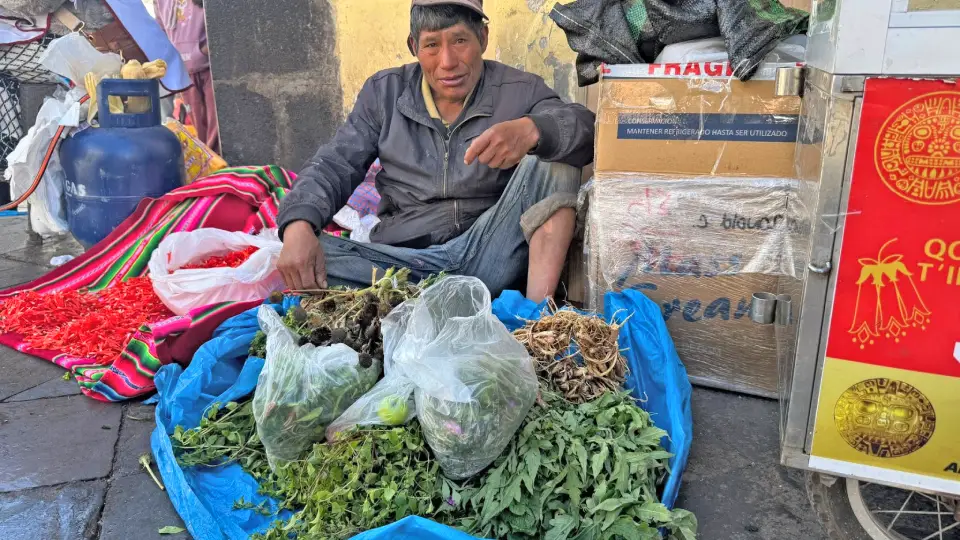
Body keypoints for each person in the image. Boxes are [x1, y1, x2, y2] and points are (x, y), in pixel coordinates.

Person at [277, 0, 594, 302]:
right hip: (402, 267)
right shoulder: (385, 92)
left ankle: (537, 322)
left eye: (459, 40)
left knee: (558, 157)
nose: (448, 62)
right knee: (309, 255)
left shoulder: (520, 90)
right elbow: (335, 163)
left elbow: (584, 128)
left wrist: (533, 130)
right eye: (431, 45)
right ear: (413, 46)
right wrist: (298, 223)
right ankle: (436, 303)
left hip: (491, 257)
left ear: (482, 38)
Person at [155, 0, 219, 151]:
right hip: (184, 72)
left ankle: (219, 170)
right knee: (198, 129)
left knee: (217, 128)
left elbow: (224, 25)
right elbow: (160, 31)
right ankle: (209, 168)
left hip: (211, 67)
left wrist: (202, 51)